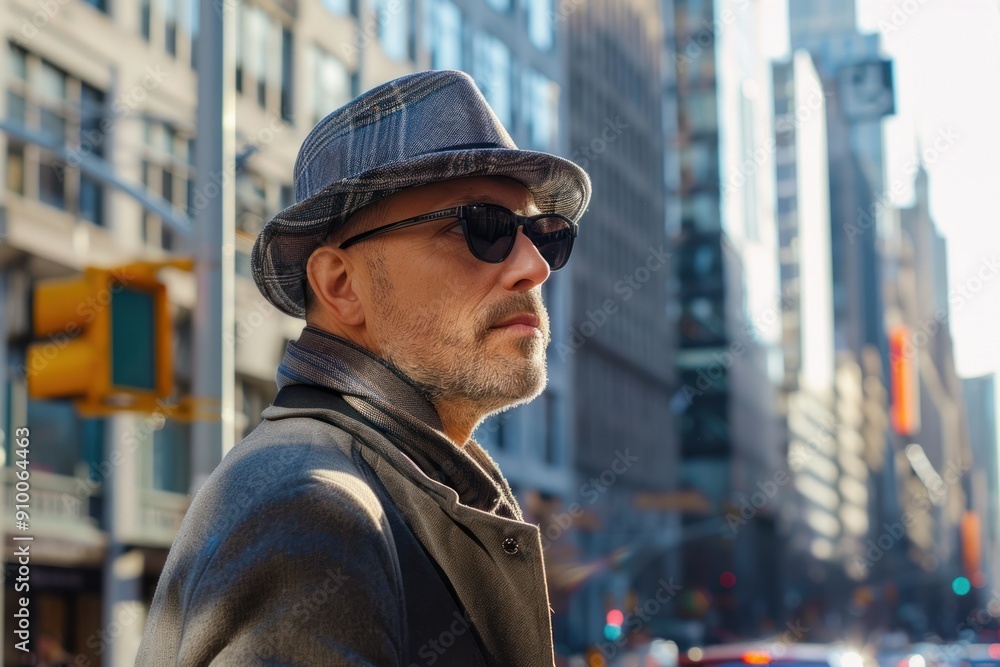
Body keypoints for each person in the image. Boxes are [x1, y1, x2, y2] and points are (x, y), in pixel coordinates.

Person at [135, 69, 590, 666]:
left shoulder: (386, 488)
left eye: (546, 234)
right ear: (341, 284)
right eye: (482, 226)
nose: (535, 266)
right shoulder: (314, 509)